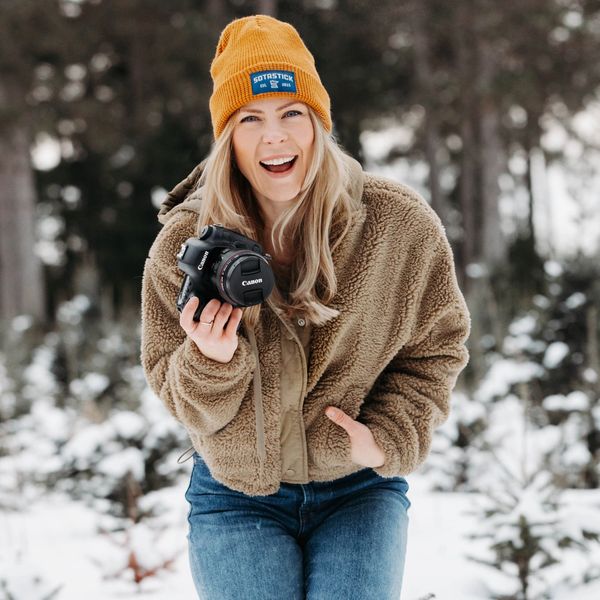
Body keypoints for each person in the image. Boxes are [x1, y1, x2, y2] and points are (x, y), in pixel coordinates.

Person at [140, 14, 470, 600]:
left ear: (319, 122)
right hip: (237, 496)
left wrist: (388, 435)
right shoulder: (184, 248)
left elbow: (437, 347)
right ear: (227, 137)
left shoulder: (399, 227)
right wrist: (212, 361)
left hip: (358, 491)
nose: (276, 137)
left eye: (293, 113)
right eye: (251, 119)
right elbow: (176, 392)